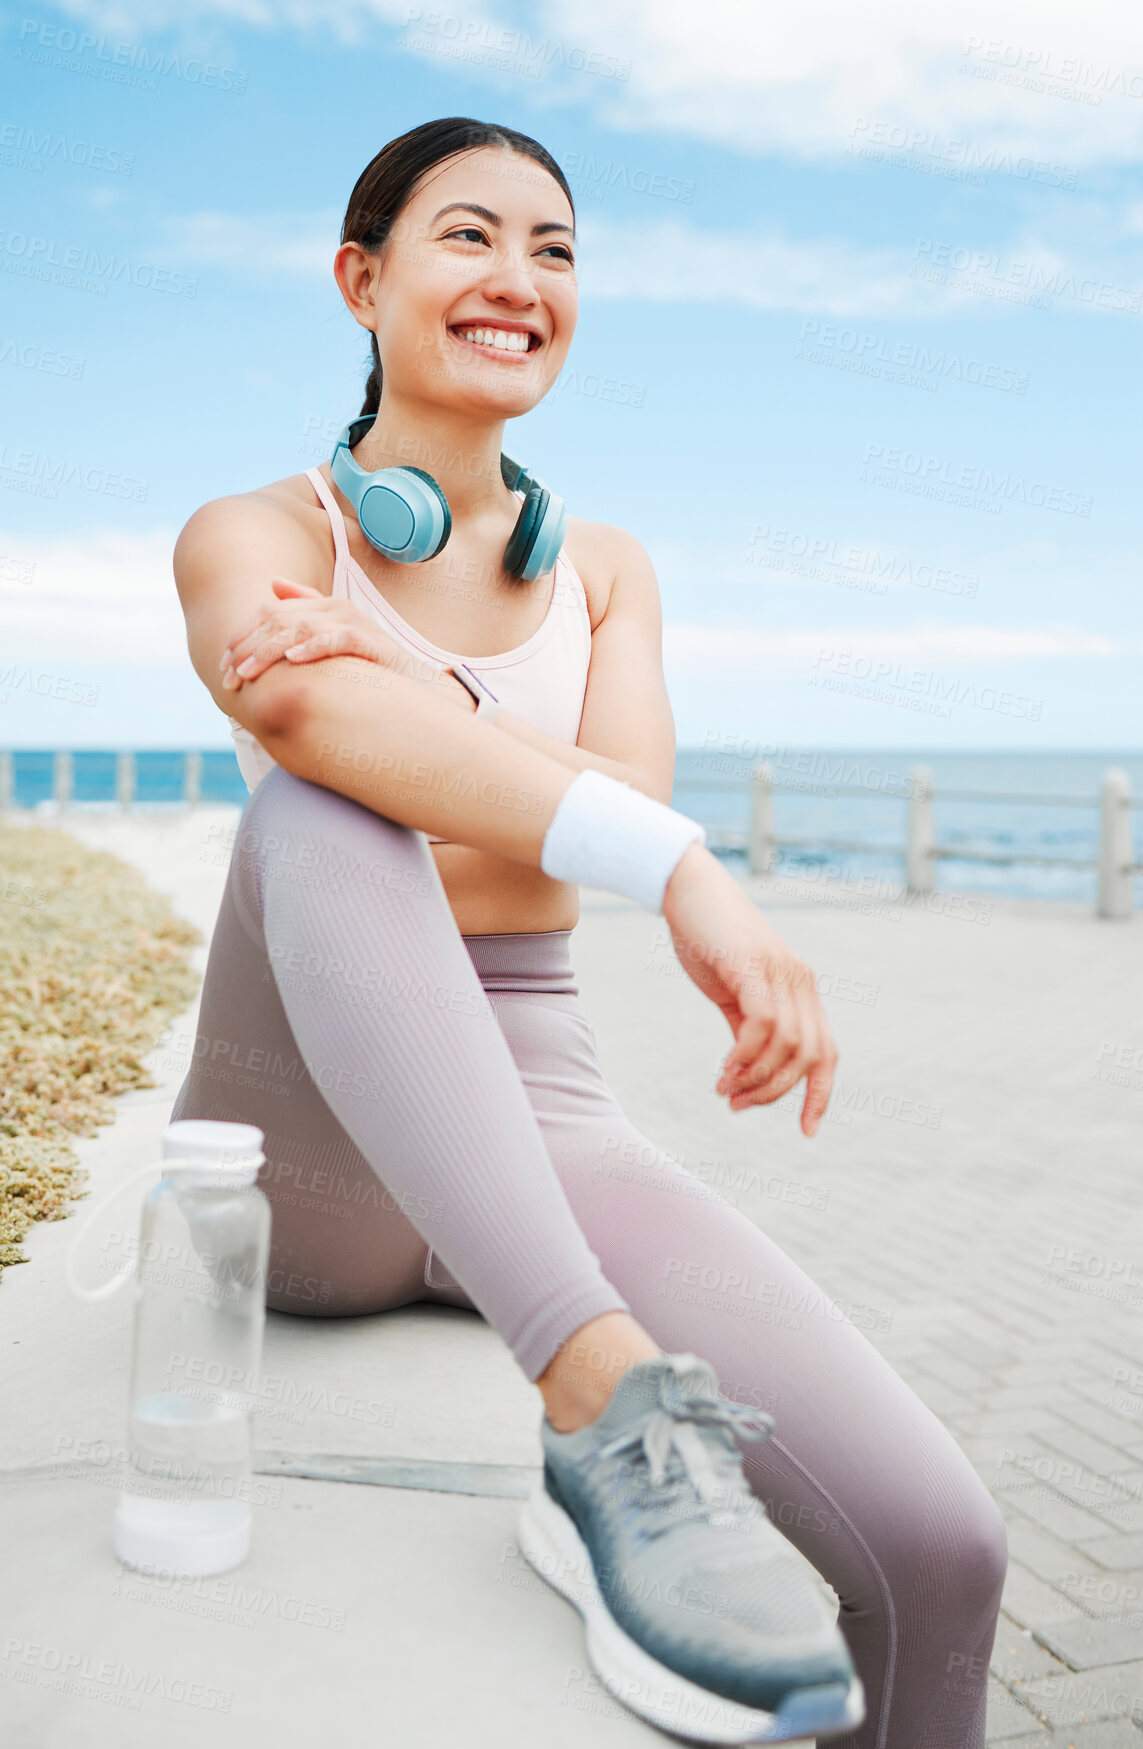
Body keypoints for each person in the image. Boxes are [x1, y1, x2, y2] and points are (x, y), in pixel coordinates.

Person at [169, 116, 1007, 1746]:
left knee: (943, 1547)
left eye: (556, 250)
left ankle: (601, 1409)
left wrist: (401, 687)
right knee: (321, 802)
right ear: (363, 278)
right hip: (312, 1143)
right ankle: (603, 1391)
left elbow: (624, 787)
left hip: (538, 1091)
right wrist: (679, 865)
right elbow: (338, 746)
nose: (519, 278)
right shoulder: (253, 537)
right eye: (470, 236)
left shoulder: (608, 572)